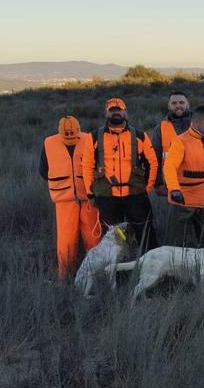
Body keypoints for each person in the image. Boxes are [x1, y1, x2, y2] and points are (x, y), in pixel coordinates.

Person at [80, 97, 160, 251]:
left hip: (136, 196)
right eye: (112, 111)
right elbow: (87, 166)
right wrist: (90, 193)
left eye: (119, 110)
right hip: (107, 197)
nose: (115, 113)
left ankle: (150, 262)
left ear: (125, 112)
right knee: (111, 238)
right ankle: (115, 266)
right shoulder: (94, 137)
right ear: (106, 113)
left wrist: (148, 188)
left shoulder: (140, 136)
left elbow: (152, 163)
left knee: (146, 234)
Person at [39, 115, 101, 278]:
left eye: (73, 135)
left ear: (79, 130)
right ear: (59, 132)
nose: (71, 139)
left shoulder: (89, 139)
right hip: (65, 201)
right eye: (67, 136)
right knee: (66, 242)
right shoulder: (49, 143)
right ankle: (65, 276)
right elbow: (44, 171)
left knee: (93, 239)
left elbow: (99, 165)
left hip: (89, 198)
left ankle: (95, 274)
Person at [162, 105, 204, 247]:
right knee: (174, 246)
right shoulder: (180, 141)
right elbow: (169, 166)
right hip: (183, 203)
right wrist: (174, 189)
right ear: (195, 123)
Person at [149, 89, 192, 237]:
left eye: (181, 102)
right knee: (174, 226)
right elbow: (154, 158)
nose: (178, 106)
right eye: (174, 103)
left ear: (187, 104)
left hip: (196, 184)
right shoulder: (160, 129)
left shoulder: (198, 124)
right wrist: (158, 183)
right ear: (169, 106)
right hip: (171, 186)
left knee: (197, 225)